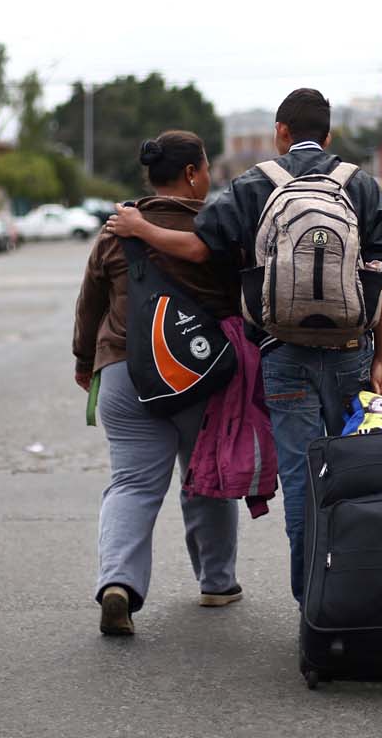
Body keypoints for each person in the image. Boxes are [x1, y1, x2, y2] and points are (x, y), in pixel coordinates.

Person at [104, 88, 382, 603]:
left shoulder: (255, 184)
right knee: (353, 470)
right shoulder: (359, 184)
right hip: (350, 351)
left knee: (300, 477)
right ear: (329, 135)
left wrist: (140, 227)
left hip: (282, 353)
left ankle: (312, 600)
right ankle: (359, 587)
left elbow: (198, 247)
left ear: (280, 133)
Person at [72, 131, 244, 636]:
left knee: (131, 482)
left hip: (124, 370)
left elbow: (90, 304)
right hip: (197, 372)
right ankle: (216, 583)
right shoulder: (214, 228)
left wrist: (87, 360)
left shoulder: (115, 231)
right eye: (207, 166)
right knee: (204, 479)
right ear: (192, 172)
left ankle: (118, 585)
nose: (210, 175)